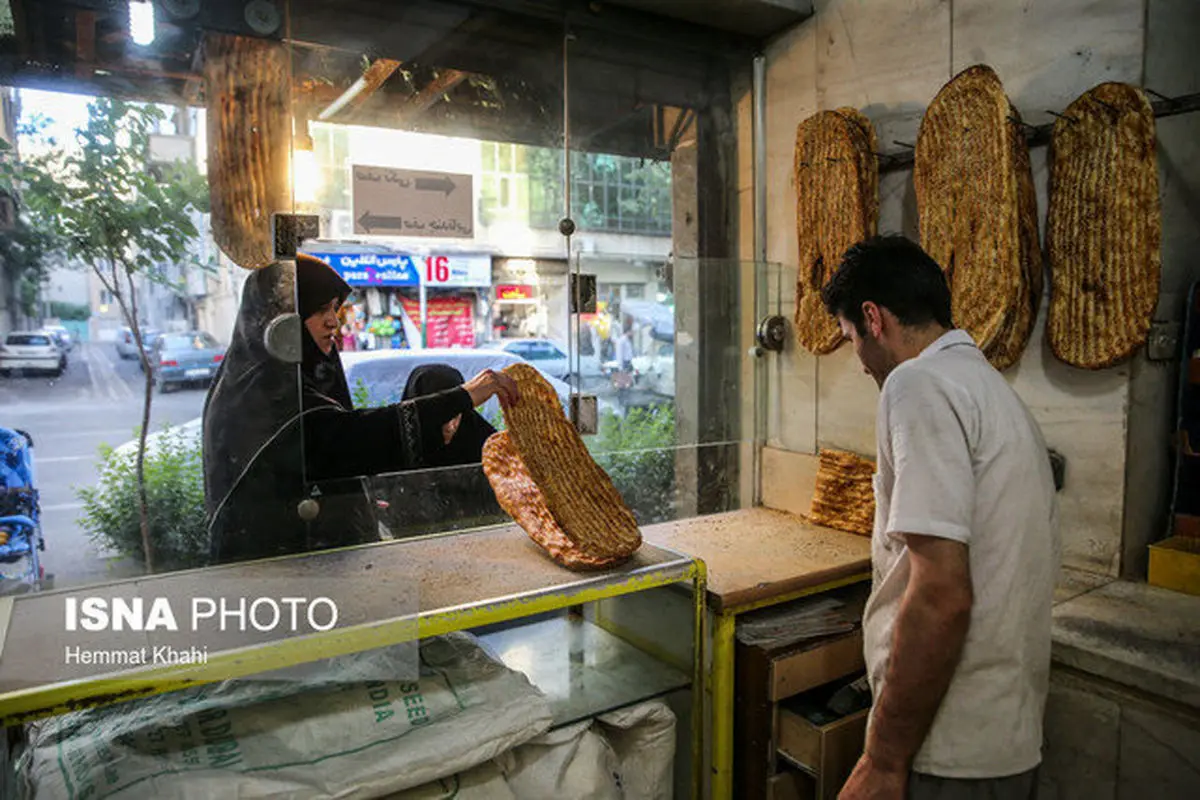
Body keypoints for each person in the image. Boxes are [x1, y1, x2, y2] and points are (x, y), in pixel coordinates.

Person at [821, 235, 1059, 800]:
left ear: (873, 319)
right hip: (1004, 737)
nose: (858, 362)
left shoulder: (916, 384)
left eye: (851, 337)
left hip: (948, 748)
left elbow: (941, 593)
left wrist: (881, 759)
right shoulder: (990, 389)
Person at [203, 254, 518, 565]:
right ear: (280, 322)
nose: (333, 321)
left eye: (335, 309)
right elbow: (350, 439)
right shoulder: (262, 396)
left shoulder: (288, 382)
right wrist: (462, 396)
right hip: (271, 576)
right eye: (320, 309)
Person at [372, 365, 505, 537]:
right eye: (442, 417)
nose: (451, 426)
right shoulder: (397, 444)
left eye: (457, 415)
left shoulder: (483, 441)